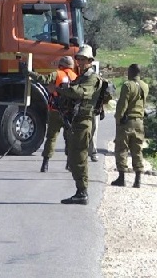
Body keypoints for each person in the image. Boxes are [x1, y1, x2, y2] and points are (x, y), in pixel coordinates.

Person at [50, 44, 101, 205]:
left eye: (83, 59)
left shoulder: (91, 77)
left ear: (90, 60)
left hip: (84, 121)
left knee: (79, 157)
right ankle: (80, 190)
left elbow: (79, 92)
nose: (79, 61)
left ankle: (82, 192)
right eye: (78, 58)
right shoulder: (82, 76)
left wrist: (59, 89)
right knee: (73, 156)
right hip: (76, 121)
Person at [29, 56, 77, 172]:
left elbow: (43, 79)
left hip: (55, 111)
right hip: (69, 113)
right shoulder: (75, 77)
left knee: (51, 138)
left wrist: (29, 73)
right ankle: (69, 164)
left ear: (61, 65)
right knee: (69, 138)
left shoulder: (57, 74)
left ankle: (45, 164)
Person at [111, 64, 149, 188]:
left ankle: (122, 178)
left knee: (122, 148)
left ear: (130, 72)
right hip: (139, 121)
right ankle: (138, 179)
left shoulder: (127, 85)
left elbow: (123, 104)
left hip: (127, 122)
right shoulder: (145, 86)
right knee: (137, 149)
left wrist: (118, 119)